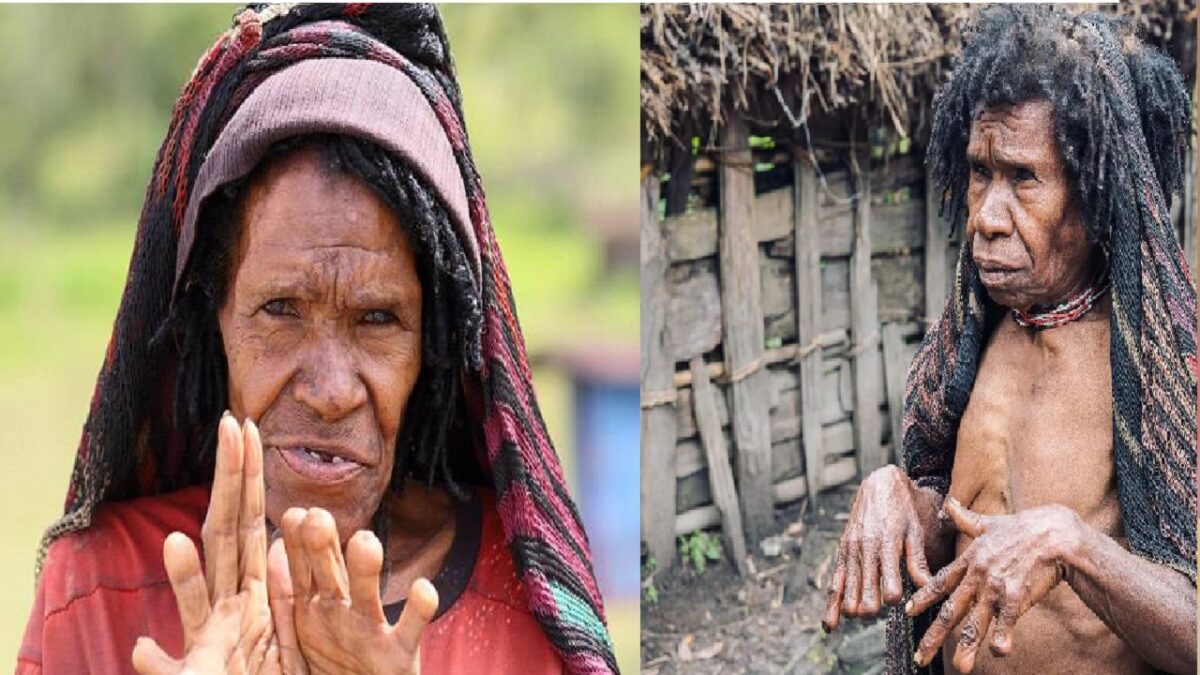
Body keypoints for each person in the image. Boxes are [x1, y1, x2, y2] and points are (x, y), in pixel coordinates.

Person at [16, 5, 617, 674]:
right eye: (280, 309)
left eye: (379, 318)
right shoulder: (99, 592)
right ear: (211, 316)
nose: (331, 391)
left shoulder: (522, 605)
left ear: (435, 344)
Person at [822, 7, 1196, 674]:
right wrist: (898, 495)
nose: (987, 218)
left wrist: (1074, 545)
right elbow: (955, 530)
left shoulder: (1166, 372)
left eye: (1024, 178)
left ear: (1094, 190)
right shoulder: (975, 331)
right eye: (979, 172)